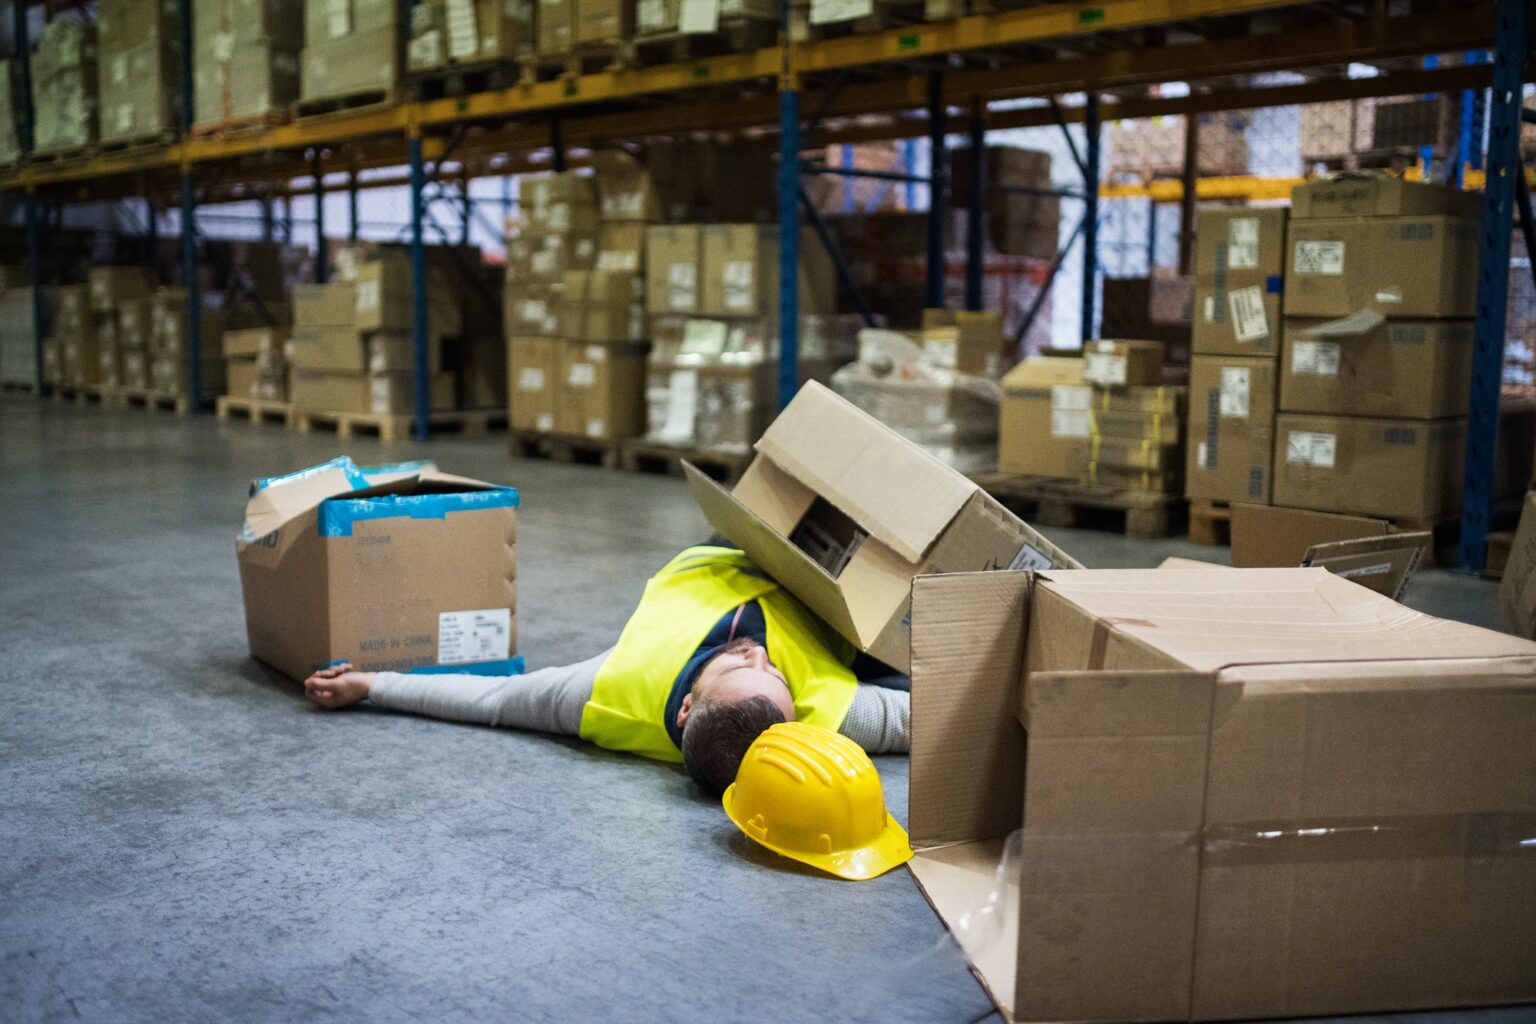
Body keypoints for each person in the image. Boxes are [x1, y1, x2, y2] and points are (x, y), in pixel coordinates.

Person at [303, 544, 910, 795]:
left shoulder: (606, 696)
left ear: (687, 707)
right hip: (827, 586)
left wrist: (372, 684)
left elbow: (494, 700)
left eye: (748, 666)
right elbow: (931, 718)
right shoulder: (828, 720)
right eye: (770, 674)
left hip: (736, 552)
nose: (758, 655)